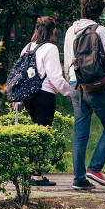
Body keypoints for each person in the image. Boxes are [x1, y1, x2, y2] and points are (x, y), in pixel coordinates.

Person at [63, 0, 105, 190]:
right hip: (95, 85)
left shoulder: (71, 30)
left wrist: (71, 80)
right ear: (100, 11)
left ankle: (79, 179)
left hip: (75, 83)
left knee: (80, 132)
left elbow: (66, 62)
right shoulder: (100, 29)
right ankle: (95, 168)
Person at [14, 16, 71, 186]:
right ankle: (36, 175)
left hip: (29, 96)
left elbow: (21, 73)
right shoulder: (51, 48)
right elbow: (54, 76)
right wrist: (68, 91)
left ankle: (31, 171)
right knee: (42, 134)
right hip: (45, 95)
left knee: (36, 132)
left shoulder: (27, 47)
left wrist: (18, 97)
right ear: (53, 31)